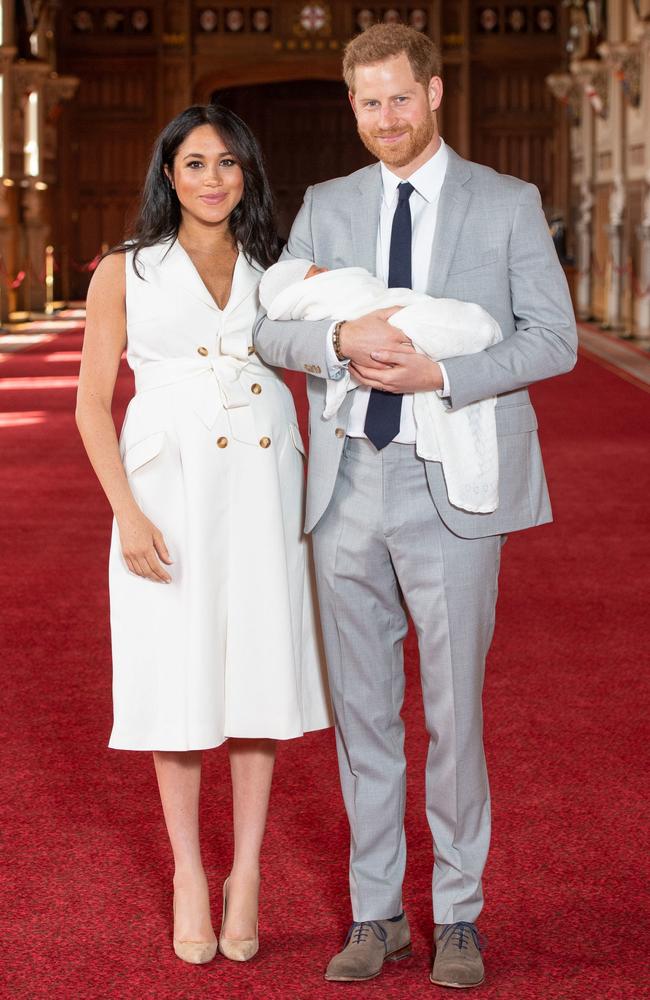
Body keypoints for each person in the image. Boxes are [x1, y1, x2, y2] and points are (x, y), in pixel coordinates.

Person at [255, 24, 577, 989]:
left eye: (400, 98)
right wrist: (337, 336)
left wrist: (445, 369)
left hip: (453, 485)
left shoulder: (505, 202)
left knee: (453, 714)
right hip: (348, 483)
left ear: (433, 93)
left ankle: (461, 915)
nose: (384, 119)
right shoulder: (326, 204)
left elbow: (553, 340)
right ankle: (377, 912)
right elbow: (273, 326)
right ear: (351, 107)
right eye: (367, 103)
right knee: (363, 718)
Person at [75, 104, 332, 967]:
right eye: (195, 163)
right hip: (169, 487)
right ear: (168, 175)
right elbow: (89, 402)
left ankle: (246, 872)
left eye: (228, 163)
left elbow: (327, 342)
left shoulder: (278, 268)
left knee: (258, 673)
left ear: (248, 175)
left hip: (264, 482)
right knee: (178, 677)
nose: (213, 178)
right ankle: (190, 869)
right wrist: (127, 513)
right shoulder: (126, 269)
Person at [259, 257, 503, 513]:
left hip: (435, 452)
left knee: (451, 323)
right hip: (346, 466)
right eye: (319, 272)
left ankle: (473, 328)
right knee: (438, 326)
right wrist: (341, 338)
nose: (328, 272)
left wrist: (441, 376)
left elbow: (547, 335)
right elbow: (266, 334)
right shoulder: (314, 226)